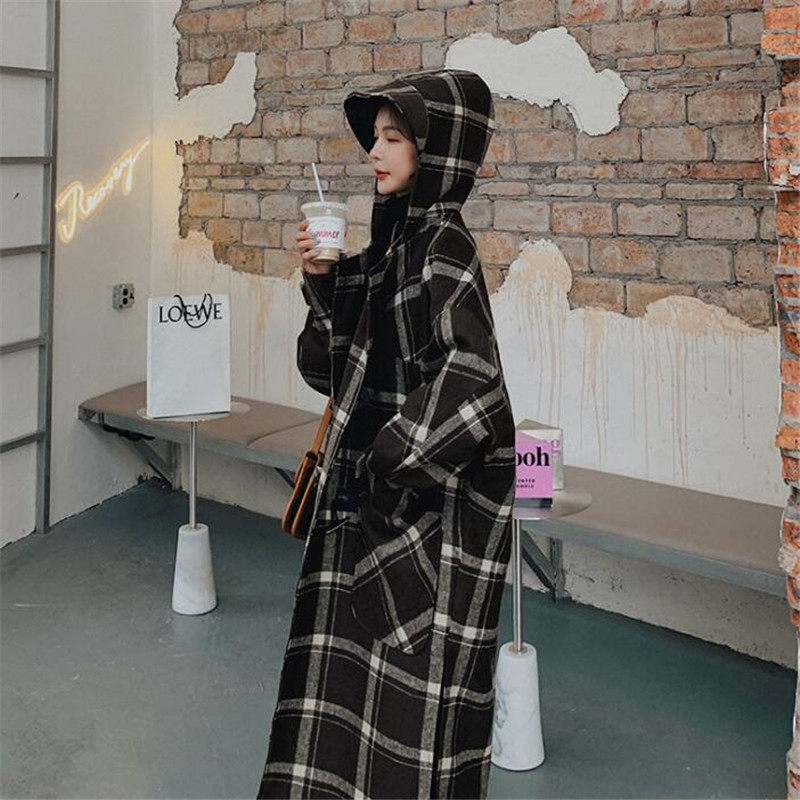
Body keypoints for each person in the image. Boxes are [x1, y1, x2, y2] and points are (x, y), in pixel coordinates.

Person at [259, 68, 517, 799]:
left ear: (437, 151)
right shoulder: (391, 247)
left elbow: (477, 385)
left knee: (413, 710)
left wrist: (385, 456)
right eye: (375, 137)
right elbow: (328, 371)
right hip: (374, 510)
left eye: (395, 138)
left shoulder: (443, 246)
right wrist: (322, 280)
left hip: (425, 515)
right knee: (344, 690)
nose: (375, 152)